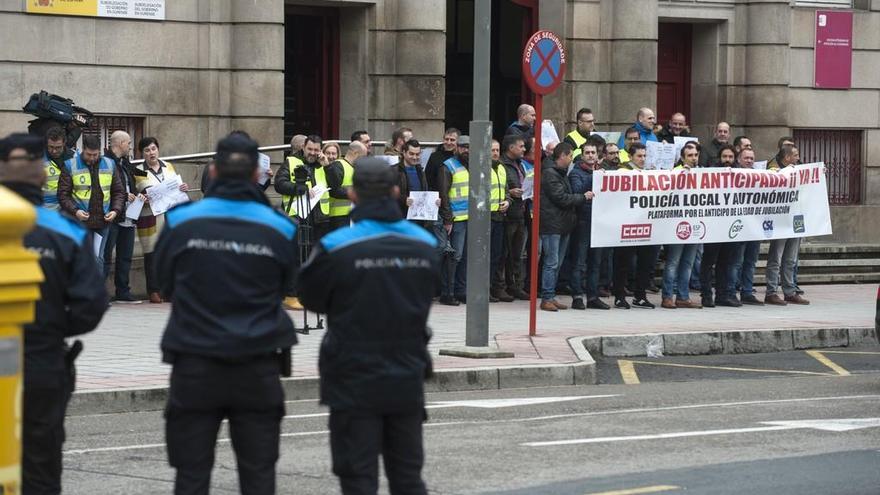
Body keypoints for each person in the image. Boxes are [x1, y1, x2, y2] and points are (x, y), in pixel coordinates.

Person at [156, 134, 298, 495]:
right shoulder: (280, 226)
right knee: (258, 475)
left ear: (214, 171)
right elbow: (287, 284)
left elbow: (163, 282)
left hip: (195, 362)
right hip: (257, 364)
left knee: (191, 474)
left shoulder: (180, 221)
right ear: (256, 175)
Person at [298, 157, 438, 495]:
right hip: (405, 372)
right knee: (407, 476)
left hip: (352, 374)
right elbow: (427, 293)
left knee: (357, 476)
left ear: (353, 194)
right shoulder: (425, 245)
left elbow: (309, 296)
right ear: (394, 192)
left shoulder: (335, 246)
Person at [1, 133, 107, 495]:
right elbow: (91, 305)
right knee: (40, 466)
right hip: (41, 362)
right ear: (42, 174)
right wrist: (49, 327)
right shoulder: (65, 231)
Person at [57, 134, 126, 269]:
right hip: (79, 222)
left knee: (98, 260)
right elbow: (63, 195)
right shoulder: (70, 165)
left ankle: (96, 290)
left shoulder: (109, 164)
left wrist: (115, 210)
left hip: (103, 222)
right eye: (89, 154)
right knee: (80, 261)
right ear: (83, 149)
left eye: (95, 154)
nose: (92, 158)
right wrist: (75, 211)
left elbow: (118, 191)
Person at [134, 137, 190, 304]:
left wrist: (182, 188)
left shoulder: (168, 166)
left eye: (153, 149)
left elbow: (174, 186)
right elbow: (146, 190)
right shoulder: (138, 170)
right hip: (151, 216)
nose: (151, 153)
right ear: (142, 153)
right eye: (147, 150)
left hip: (170, 214)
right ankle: (153, 289)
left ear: (158, 149)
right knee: (151, 253)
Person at [538, 143, 588, 312]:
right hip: (552, 224)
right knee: (551, 263)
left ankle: (550, 295)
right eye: (570, 155)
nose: (571, 159)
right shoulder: (551, 174)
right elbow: (561, 198)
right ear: (563, 155)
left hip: (562, 224)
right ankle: (546, 297)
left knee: (556, 263)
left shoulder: (560, 173)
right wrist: (582, 197)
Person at [611, 144, 656, 309]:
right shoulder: (622, 172)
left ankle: (640, 295)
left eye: (644, 156)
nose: (643, 159)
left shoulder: (649, 173)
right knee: (623, 262)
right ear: (630, 157)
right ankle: (619, 296)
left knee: (646, 261)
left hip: (645, 223)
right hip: (626, 224)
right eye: (639, 156)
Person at [103, 130, 145, 303]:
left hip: (129, 215)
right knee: (105, 256)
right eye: (128, 143)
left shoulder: (125, 163)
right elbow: (103, 188)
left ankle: (123, 292)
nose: (130, 146)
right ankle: (100, 293)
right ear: (120, 143)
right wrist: (120, 196)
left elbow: (131, 183)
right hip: (113, 215)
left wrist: (137, 195)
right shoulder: (105, 162)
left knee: (125, 255)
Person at [765, 145, 809, 306]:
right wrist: (784, 173)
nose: (798, 157)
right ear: (787, 158)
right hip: (780, 222)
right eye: (795, 155)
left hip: (795, 219)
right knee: (776, 258)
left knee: (791, 259)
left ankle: (789, 291)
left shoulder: (798, 169)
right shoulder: (773, 168)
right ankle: (771, 292)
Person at [661, 144, 703, 309]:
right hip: (676, 225)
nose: (693, 158)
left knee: (688, 263)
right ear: (683, 157)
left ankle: (683, 296)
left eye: (695, 155)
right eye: (690, 155)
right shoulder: (675, 172)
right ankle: (667, 296)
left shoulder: (701, 173)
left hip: (695, 224)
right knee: (673, 262)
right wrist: (682, 172)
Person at [568, 142, 609, 310]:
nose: (591, 155)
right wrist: (594, 177)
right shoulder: (576, 172)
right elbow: (577, 190)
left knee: (595, 262)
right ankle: (577, 296)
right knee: (579, 262)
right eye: (587, 152)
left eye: (593, 152)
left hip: (599, 221)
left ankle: (593, 297)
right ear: (582, 155)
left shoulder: (603, 171)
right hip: (583, 221)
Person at [436, 135, 470, 305]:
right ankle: (447, 292)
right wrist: (448, 219)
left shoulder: (473, 166)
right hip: (456, 218)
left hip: (471, 218)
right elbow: (443, 194)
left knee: (465, 258)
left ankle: (461, 291)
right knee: (453, 257)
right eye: (463, 147)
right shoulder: (448, 166)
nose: (466, 150)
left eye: (469, 147)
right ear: (456, 148)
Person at [728, 148, 764, 306]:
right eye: (746, 158)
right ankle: (731, 291)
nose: (749, 161)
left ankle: (747, 292)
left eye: (751, 158)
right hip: (739, 226)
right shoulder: (731, 174)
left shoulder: (760, 176)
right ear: (739, 159)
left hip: (755, 226)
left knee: (750, 261)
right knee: (736, 261)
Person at [498, 134, 530, 300]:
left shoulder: (521, 164)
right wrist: (510, 192)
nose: (524, 149)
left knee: (517, 254)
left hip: (521, 213)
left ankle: (516, 285)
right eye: (521, 146)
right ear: (511, 148)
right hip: (508, 215)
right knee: (504, 253)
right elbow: (500, 187)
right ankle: (501, 286)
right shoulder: (502, 165)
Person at [488, 138, 513, 303]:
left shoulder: (502, 168)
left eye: (497, 150)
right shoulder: (481, 169)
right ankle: (485, 289)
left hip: (500, 217)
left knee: (497, 256)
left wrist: (508, 201)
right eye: (492, 150)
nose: (495, 153)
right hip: (486, 218)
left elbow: (506, 190)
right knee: (486, 257)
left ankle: (494, 288)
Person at [326, 141, 369, 231]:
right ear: (355, 153)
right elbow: (334, 190)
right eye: (362, 157)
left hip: (351, 214)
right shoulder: (338, 166)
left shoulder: (353, 168)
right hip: (338, 216)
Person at [396, 139, 432, 221]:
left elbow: (425, 193)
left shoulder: (421, 171)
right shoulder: (394, 170)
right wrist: (403, 200)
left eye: (417, 154)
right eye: (411, 154)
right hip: (401, 218)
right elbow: (386, 194)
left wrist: (434, 202)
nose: (415, 157)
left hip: (419, 218)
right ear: (404, 153)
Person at [42, 126, 72, 211]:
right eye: (51, 147)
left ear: (64, 143)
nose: (54, 151)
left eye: (58, 147)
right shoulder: (38, 159)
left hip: (70, 211)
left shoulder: (75, 158)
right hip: (47, 212)